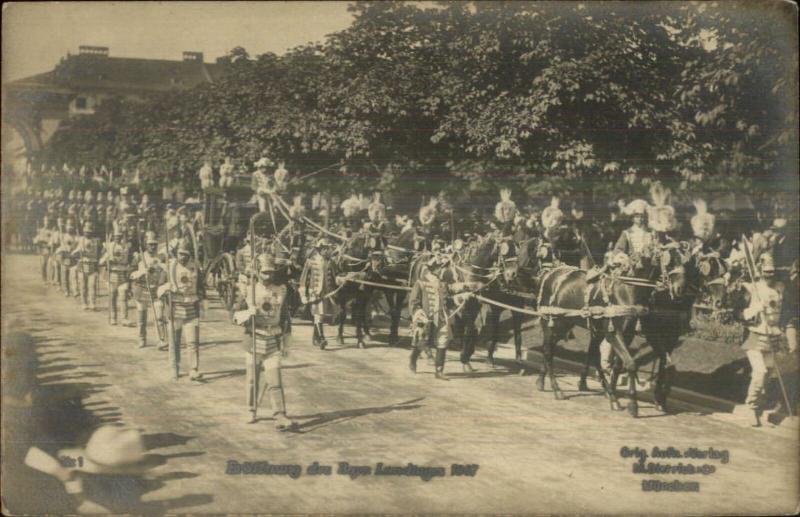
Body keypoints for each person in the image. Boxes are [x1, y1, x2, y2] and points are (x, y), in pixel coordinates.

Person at [234, 253, 297, 430]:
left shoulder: (281, 290)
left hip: (273, 339)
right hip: (254, 338)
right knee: (252, 380)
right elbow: (235, 314)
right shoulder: (249, 290)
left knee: (275, 380)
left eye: (271, 272)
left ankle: (280, 415)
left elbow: (285, 317)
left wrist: (287, 342)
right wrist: (248, 313)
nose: (269, 276)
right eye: (265, 272)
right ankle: (251, 409)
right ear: (257, 272)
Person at [734, 252, 791, 426]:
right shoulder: (751, 289)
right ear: (759, 270)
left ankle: (761, 408)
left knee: (770, 375)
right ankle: (751, 407)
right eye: (766, 272)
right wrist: (753, 310)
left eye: (771, 272)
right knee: (760, 372)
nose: (769, 275)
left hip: (773, 336)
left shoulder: (781, 288)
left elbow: (786, 311)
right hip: (755, 337)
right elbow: (737, 313)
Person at [408, 254, 472, 380]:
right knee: (422, 342)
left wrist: (461, 297)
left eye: (442, 268)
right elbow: (413, 302)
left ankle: (439, 371)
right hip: (426, 319)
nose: (442, 270)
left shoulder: (443, 285)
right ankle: (413, 359)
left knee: (442, 341)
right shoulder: (420, 283)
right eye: (440, 268)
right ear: (433, 269)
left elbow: (448, 301)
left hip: (442, 318)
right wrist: (419, 315)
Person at [160, 239, 203, 381]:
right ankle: (174, 368)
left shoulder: (195, 267)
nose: (183, 257)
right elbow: (159, 288)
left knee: (192, 341)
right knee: (174, 341)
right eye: (180, 253)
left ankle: (194, 369)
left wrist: (202, 301)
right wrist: (166, 290)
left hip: (191, 307)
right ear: (176, 253)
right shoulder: (169, 266)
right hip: (175, 308)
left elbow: (201, 287)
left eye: (186, 254)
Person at [130, 231, 168, 349]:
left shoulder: (162, 257)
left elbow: (167, 272)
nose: (153, 246)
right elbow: (130, 273)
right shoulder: (139, 257)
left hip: (155, 290)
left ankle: (161, 340)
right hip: (141, 289)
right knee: (142, 317)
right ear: (146, 244)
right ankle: (142, 338)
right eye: (150, 244)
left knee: (159, 316)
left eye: (155, 244)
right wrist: (141, 273)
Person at [299, 237, 338, 349]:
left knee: (321, 315)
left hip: (327, 293)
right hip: (315, 292)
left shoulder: (330, 262)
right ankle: (322, 338)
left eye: (328, 249)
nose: (327, 251)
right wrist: (303, 294)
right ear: (319, 249)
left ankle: (315, 337)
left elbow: (334, 277)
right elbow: (303, 279)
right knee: (319, 315)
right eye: (325, 249)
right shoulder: (311, 261)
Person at [100, 226, 134, 326]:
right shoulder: (109, 246)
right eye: (116, 236)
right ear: (113, 236)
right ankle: (113, 317)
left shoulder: (126, 246)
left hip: (123, 274)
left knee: (123, 297)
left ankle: (124, 318)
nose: (117, 238)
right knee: (112, 297)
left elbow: (130, 259)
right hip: (112, 275)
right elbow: (101, 261)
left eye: (119, 236)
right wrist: (107, 260)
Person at [614, 198, 654, 271]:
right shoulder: (626, 233)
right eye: (637, 217)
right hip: (631, 268)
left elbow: (654, 247)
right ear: (632, 218)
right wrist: (624, 259)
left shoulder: (650, 233)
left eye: (642, 216)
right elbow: (618, 249)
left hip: (649, 268)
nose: (640, 219)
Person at [73, 220, 102, 311]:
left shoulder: (96, 241)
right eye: (86, 232)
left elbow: (99, 253)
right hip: (82, 265)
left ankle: (92, 303)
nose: (87, 233)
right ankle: (84, 303)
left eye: (89, 232)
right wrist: (78, 253)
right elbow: (74, 252)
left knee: (92, 285)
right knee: (83, 285)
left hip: (92, 265)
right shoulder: (80, 240)